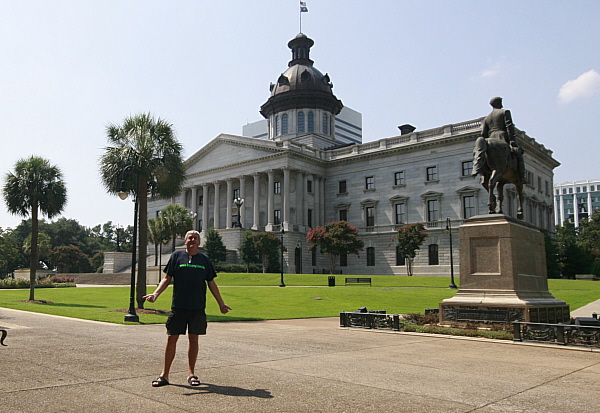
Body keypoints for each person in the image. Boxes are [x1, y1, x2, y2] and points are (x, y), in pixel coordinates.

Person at [143, 230, 231, 387]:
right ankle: (164, 375)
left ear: (199, 242)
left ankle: (191, 374)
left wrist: (221, 303)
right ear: (185, 241)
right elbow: (167, 278)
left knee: (193, 339)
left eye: (195, 238)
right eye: (189, 237)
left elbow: (211, 283)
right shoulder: (177, 256)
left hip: (197, 307)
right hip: (179, 306)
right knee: (172, 338)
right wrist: (156, 294)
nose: (192, 240)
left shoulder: (204, 260)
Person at [472, 97, 525, 180]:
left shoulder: (487, 118)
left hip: (491, 137)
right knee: (519, 154)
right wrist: (512, 141)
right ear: (498, 103)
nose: (501, 103)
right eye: (500, 102)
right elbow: (509, 126)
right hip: (502, 136)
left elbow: (483, 133)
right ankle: (522, 176)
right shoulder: (505, 112)